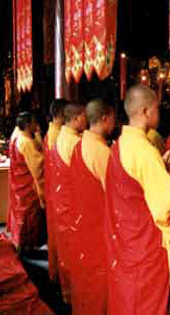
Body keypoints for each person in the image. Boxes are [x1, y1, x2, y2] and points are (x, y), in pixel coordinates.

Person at [105, 85, 170, 314]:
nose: (159, 113)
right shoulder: (144, 150)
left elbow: (135, 189)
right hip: (146, 242)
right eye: (157, 108)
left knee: (129, 296)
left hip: (126, 238)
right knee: (145, 301)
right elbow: (164, 205)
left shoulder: (121, 143)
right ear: (146, 111)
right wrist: (164, 177)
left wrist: (160, 168)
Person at [69, 99, 115, 314]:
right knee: (99, 281)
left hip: (83, 223)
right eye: (114, 118)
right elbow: (116, 195)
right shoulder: (100, 151)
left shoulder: (81, 144)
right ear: (105, 119)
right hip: (98, 227)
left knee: (86, 278)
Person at [52, 102, 87, 303]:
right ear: (75, 118)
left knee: (68, 249)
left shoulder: (62, 137)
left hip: (62, 200)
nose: (86, 119)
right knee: (77, 251)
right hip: (73, 202)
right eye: (83, 116)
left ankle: (69, 292)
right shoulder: (75, 143)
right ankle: (76, 294)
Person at [6, 112, 45, 250]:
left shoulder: (16, 135)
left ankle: (21, 243)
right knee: (29, 216)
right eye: (34, 122)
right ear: (28, 124)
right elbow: (38, 166)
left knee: (21, 213)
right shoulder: (26, 142)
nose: (36, 125)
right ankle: (27, 246)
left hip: (18, 182)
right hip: (28, 184)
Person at [43, 99, 68, 283]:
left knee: (56, 236)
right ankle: (60, 276)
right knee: (61, 238)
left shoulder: (54, 133)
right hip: (59, 194)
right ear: (61, 114)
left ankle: (56, 274)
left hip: (54, 191)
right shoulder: (57, 136)